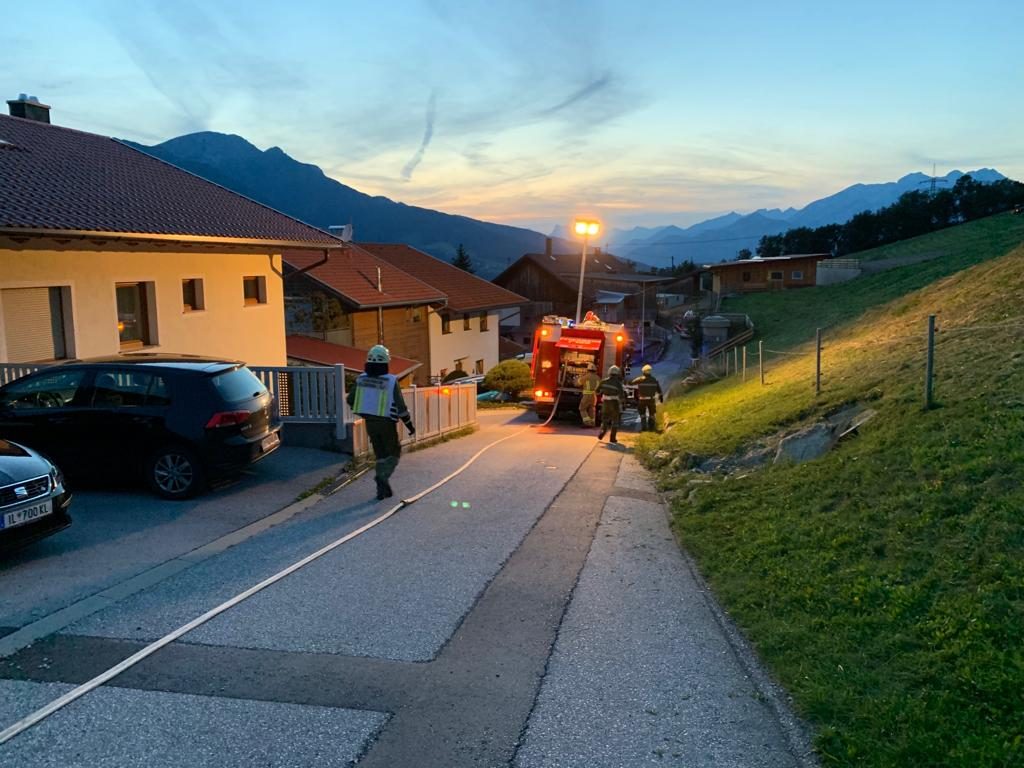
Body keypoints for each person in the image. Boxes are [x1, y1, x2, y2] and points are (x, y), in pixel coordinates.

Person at [346, 344, 415, 500]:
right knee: (394, 453)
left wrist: (363, 411)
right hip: (386, 423)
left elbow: (350, 400)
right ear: (385, 362)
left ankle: (382, 488)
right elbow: (401, 406)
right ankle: (382, 478)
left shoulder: (361, 379)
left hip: (370, 423)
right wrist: (409, 425)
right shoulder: (390, 381)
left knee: (381, 455)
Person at [596, 365, 625, 444]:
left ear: (609, 372)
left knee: (604, 419)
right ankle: (612, 438)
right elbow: (621, 396)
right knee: (615, 421)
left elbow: (597, 391)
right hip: (614, 403)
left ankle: (602, 432)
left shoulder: (603, 381)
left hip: (605, 403)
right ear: (617, 373)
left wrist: (603, 393)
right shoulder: (618, 384)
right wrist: (622, 403)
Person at [631, 364, 664, 431]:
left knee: (642, 414)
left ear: (643, 371)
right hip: (651, 400)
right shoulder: (654, 380)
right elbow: (659, 390)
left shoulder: (640, 379)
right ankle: (651, 428)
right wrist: (661, 397)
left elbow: (632, 383)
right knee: (652, 414)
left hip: (642, 400)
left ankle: (644, 427)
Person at [578, 362, 600, 427]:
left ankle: (587, 423)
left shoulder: (586, 377)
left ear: (588, 370)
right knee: (592, 409)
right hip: (594, 396)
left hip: (587, 396)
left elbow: (578, 383)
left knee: (582, 408)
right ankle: (592, 423)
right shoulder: (598, 378)